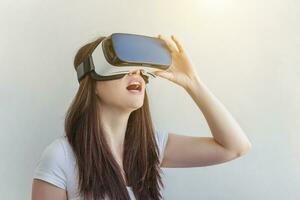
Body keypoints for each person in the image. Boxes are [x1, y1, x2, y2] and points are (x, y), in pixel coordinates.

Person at [31, 34, 252, 200]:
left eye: (138, 68)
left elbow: (234, 147)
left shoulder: (151, 147)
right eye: (121, 65)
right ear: (93, 82)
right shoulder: (61, 157)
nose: (135, 72)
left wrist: (191, 81)